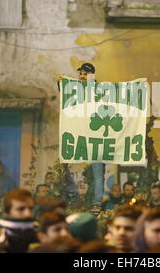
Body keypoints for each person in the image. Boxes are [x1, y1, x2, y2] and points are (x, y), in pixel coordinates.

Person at [55, 63, 105, 213]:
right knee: (64, 163)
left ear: (92, 76)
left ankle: (96, 203)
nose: (82, 76)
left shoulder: (101, 90)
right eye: (81, 74)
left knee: (98, 172)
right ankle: (72, 194)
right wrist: (61, 84)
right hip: (78, 134)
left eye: (85, 74)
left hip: (96, 136)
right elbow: (67, 95)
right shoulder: (75, 88)